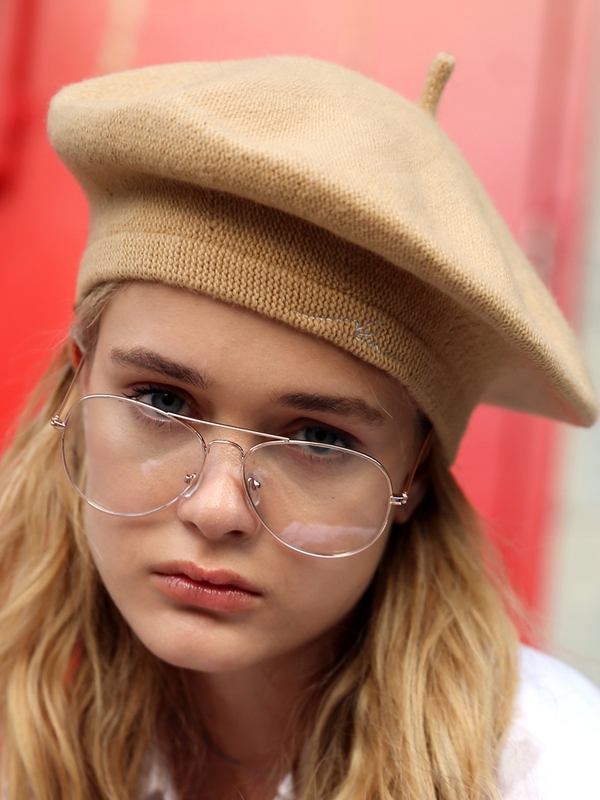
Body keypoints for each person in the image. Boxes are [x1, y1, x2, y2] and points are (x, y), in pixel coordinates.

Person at [0, 52, 599, 800]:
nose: (216, 508)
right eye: (162, 402)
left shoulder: (547, 769)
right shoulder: (21, 715)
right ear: (79, 382)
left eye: (319, 438)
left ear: (410, 473)